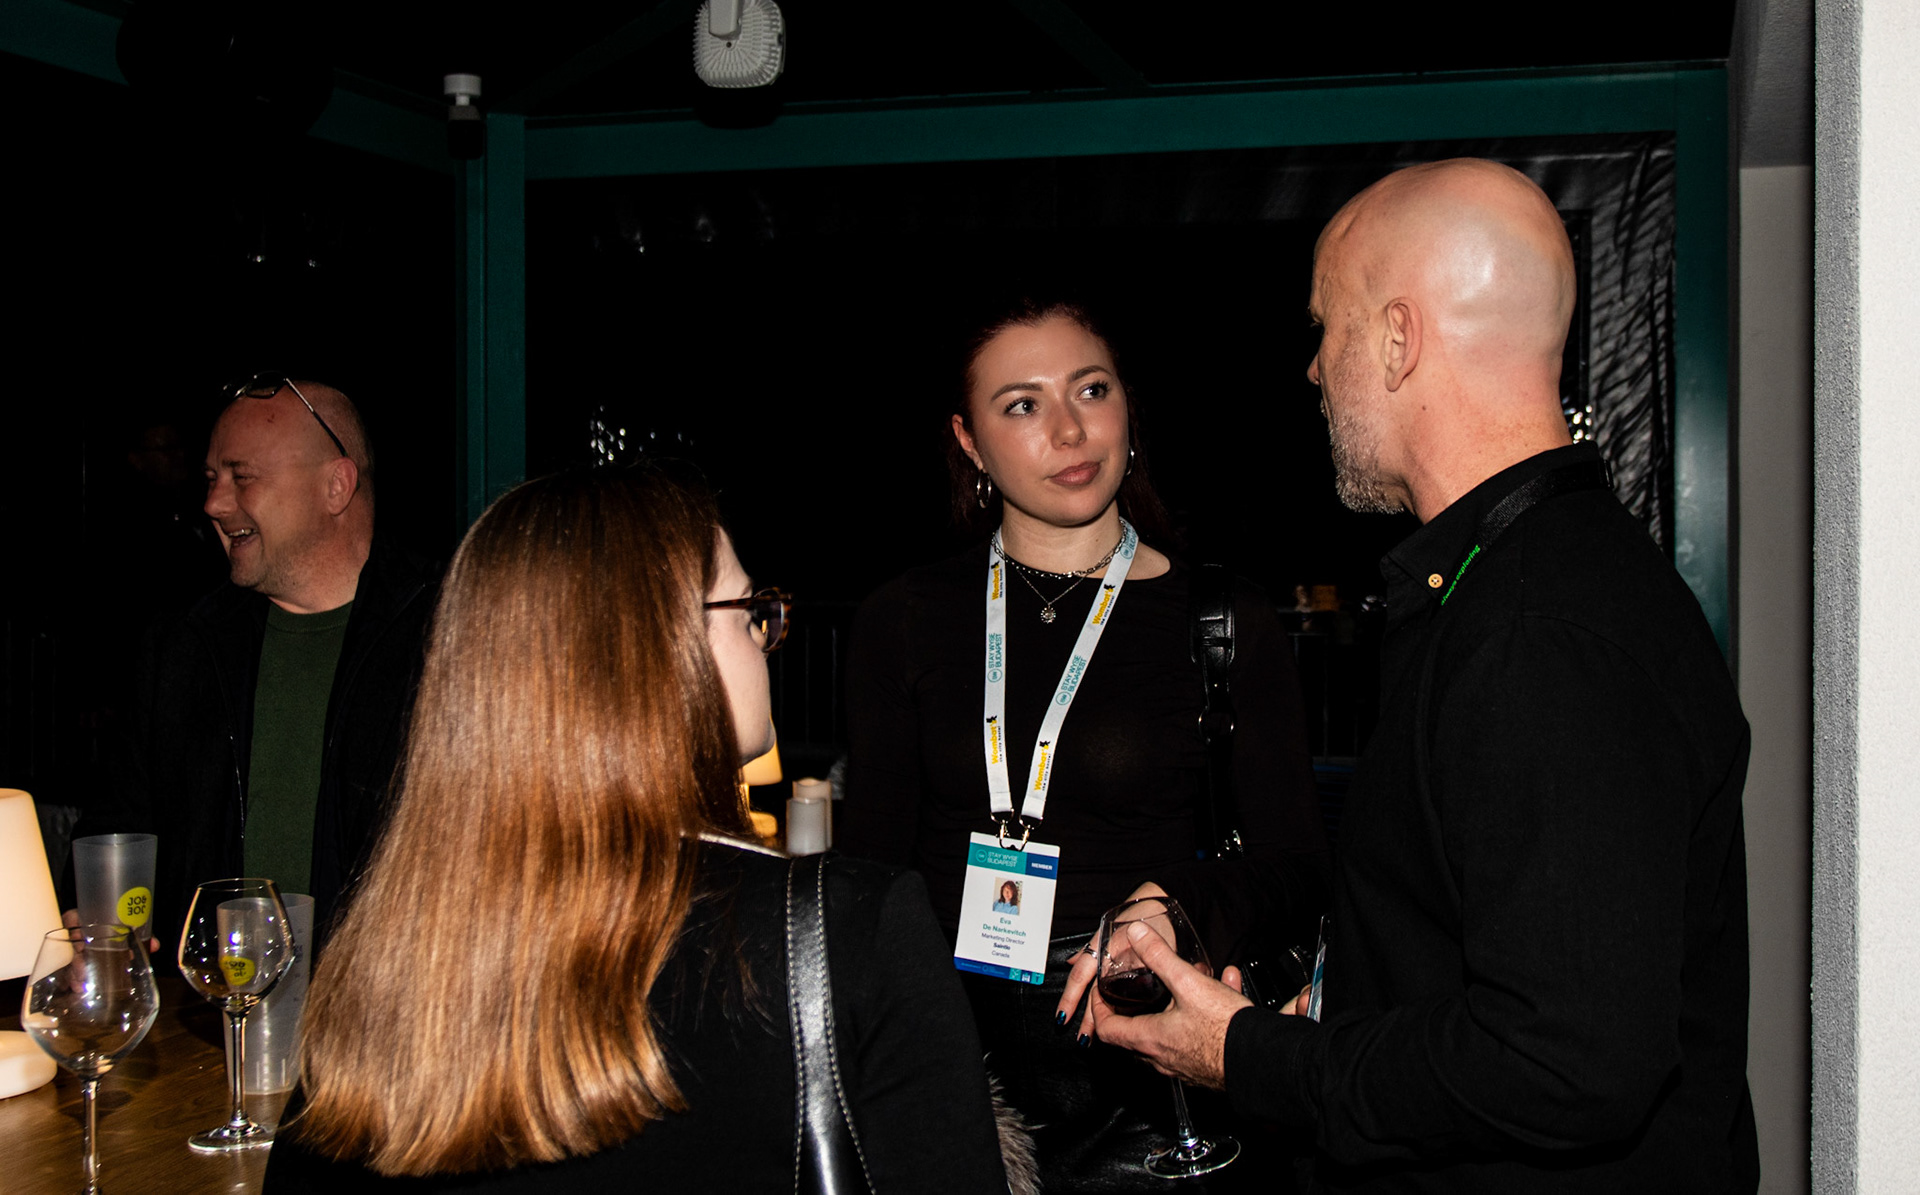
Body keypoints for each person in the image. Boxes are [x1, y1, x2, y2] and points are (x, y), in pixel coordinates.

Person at [1093, 159, 1757, 1192]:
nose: (1315, 369)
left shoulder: (1537, 631)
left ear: (1399, 339)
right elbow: (1497, 954)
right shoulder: (1529, 581)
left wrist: (1251, 1054)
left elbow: (1567, 1062)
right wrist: (1347, 1012)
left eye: (1328, 328)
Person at [262, 467, 1010, 1192]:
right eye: (746, 609)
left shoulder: (386, 957)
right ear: (655, 653)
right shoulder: (850, 931)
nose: (763, 638)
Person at [841, 298, 1329, 1189]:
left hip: (1149, 1063)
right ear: (968, 441)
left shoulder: (1221, 620)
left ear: (1128, 406)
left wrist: (1179, 903)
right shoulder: (902, 619)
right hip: (952, 1058)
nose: (1069, 429)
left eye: (1091, 390)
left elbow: (1299, 866)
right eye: (1022, 404)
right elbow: (870, 875)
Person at [98, 376, 439, 943]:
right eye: (212, 478)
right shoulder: (185, 647)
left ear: (336, 486)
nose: (213, 503)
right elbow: (119, 827)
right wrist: (96, 916)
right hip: (212, 998)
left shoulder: (445, 636)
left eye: (242, 477)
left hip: (394, 995)